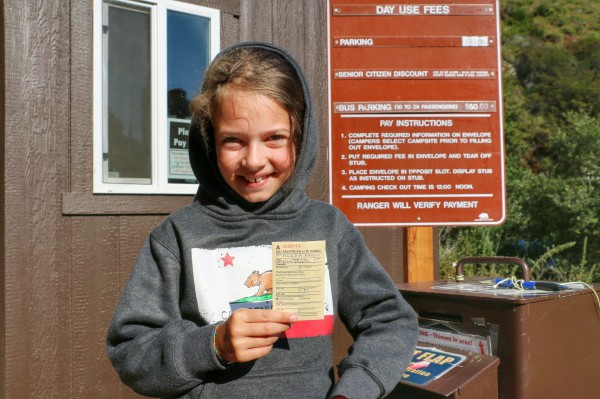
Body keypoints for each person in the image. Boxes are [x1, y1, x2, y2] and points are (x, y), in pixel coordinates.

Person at [106, 41, 418, 399]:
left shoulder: (327, 228)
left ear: (299, 136)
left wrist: (355, 391)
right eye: (233, 141)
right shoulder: (176, 237)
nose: (254, 160)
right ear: (209, 140)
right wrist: (213, 346)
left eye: (274, 138)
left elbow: (391, 321)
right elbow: (131, 352)